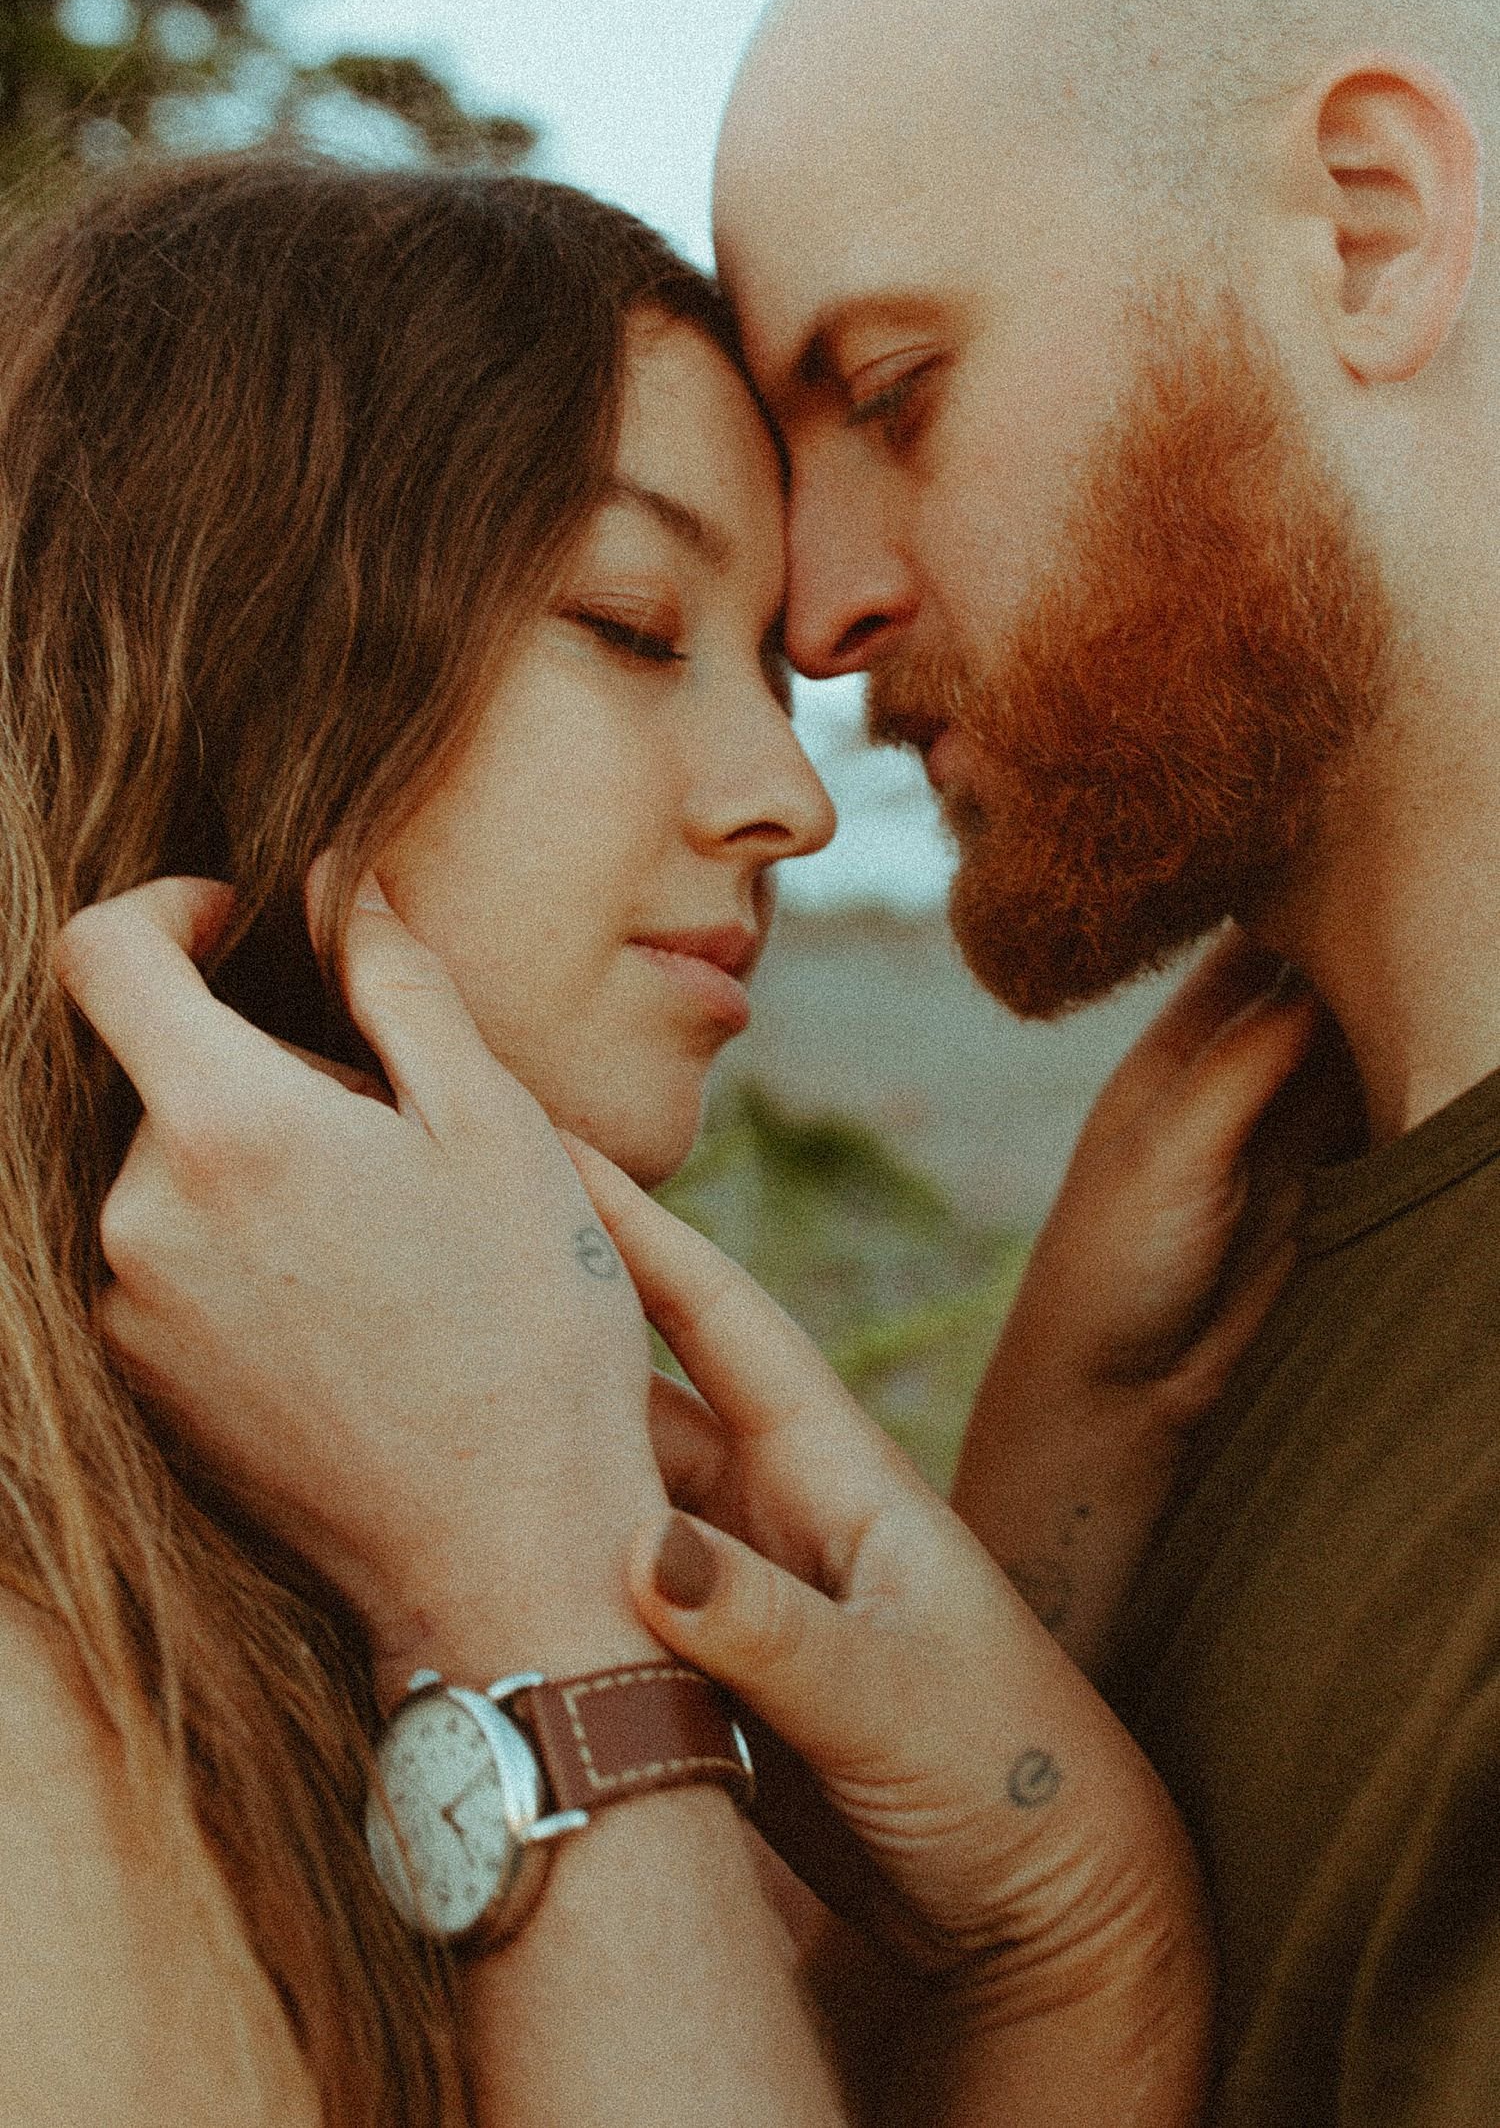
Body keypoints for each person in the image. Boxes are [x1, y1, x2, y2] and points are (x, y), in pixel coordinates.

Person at [0, 151, 1311, 2123]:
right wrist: (513, 1603)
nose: (790, 789)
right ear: (228, 656)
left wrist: (1068, 1917)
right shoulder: (45, 1735)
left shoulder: (254, 1588)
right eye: (629, 620)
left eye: (773, 671)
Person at [700, 0, 1500, 2120]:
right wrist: (1052, 1504)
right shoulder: (1248, 1262)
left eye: (894, 393)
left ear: (1364, 229)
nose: (822, 607)